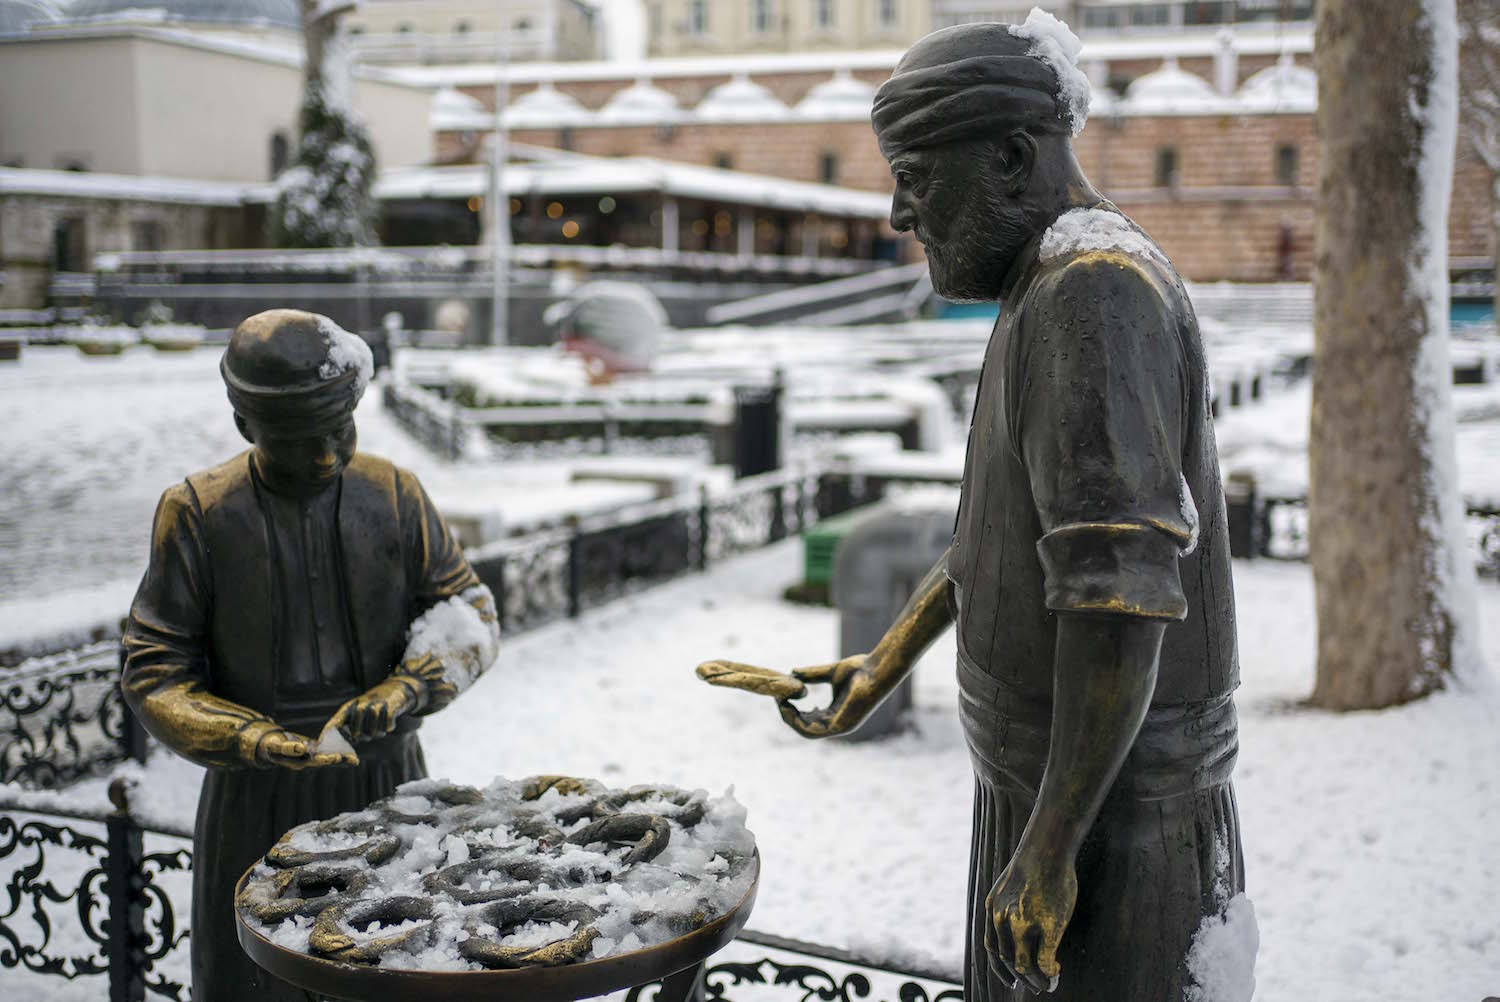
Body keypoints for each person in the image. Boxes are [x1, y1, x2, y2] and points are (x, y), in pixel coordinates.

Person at [697, 14, 1244, 1001]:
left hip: (1114, 828)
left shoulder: (1094, 293)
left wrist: (1049, 847)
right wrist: (883, 662)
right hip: (1060, 799)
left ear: (1011, 157)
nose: (900, 214)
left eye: (914, 174)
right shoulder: (1043, 284)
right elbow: (1001, 547)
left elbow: (1117, 603)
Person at [122, 309, 499, 1001]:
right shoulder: (200, 512)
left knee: (394, 969)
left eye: (340, 430)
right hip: (257, 799)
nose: (327, 455)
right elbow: (154, 671)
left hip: (386, 786)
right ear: (246, 427)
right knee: (254, 983)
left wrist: (409, 690)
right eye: (298, 440)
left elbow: (468, 614)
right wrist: (247, 736)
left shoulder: (394, 495)